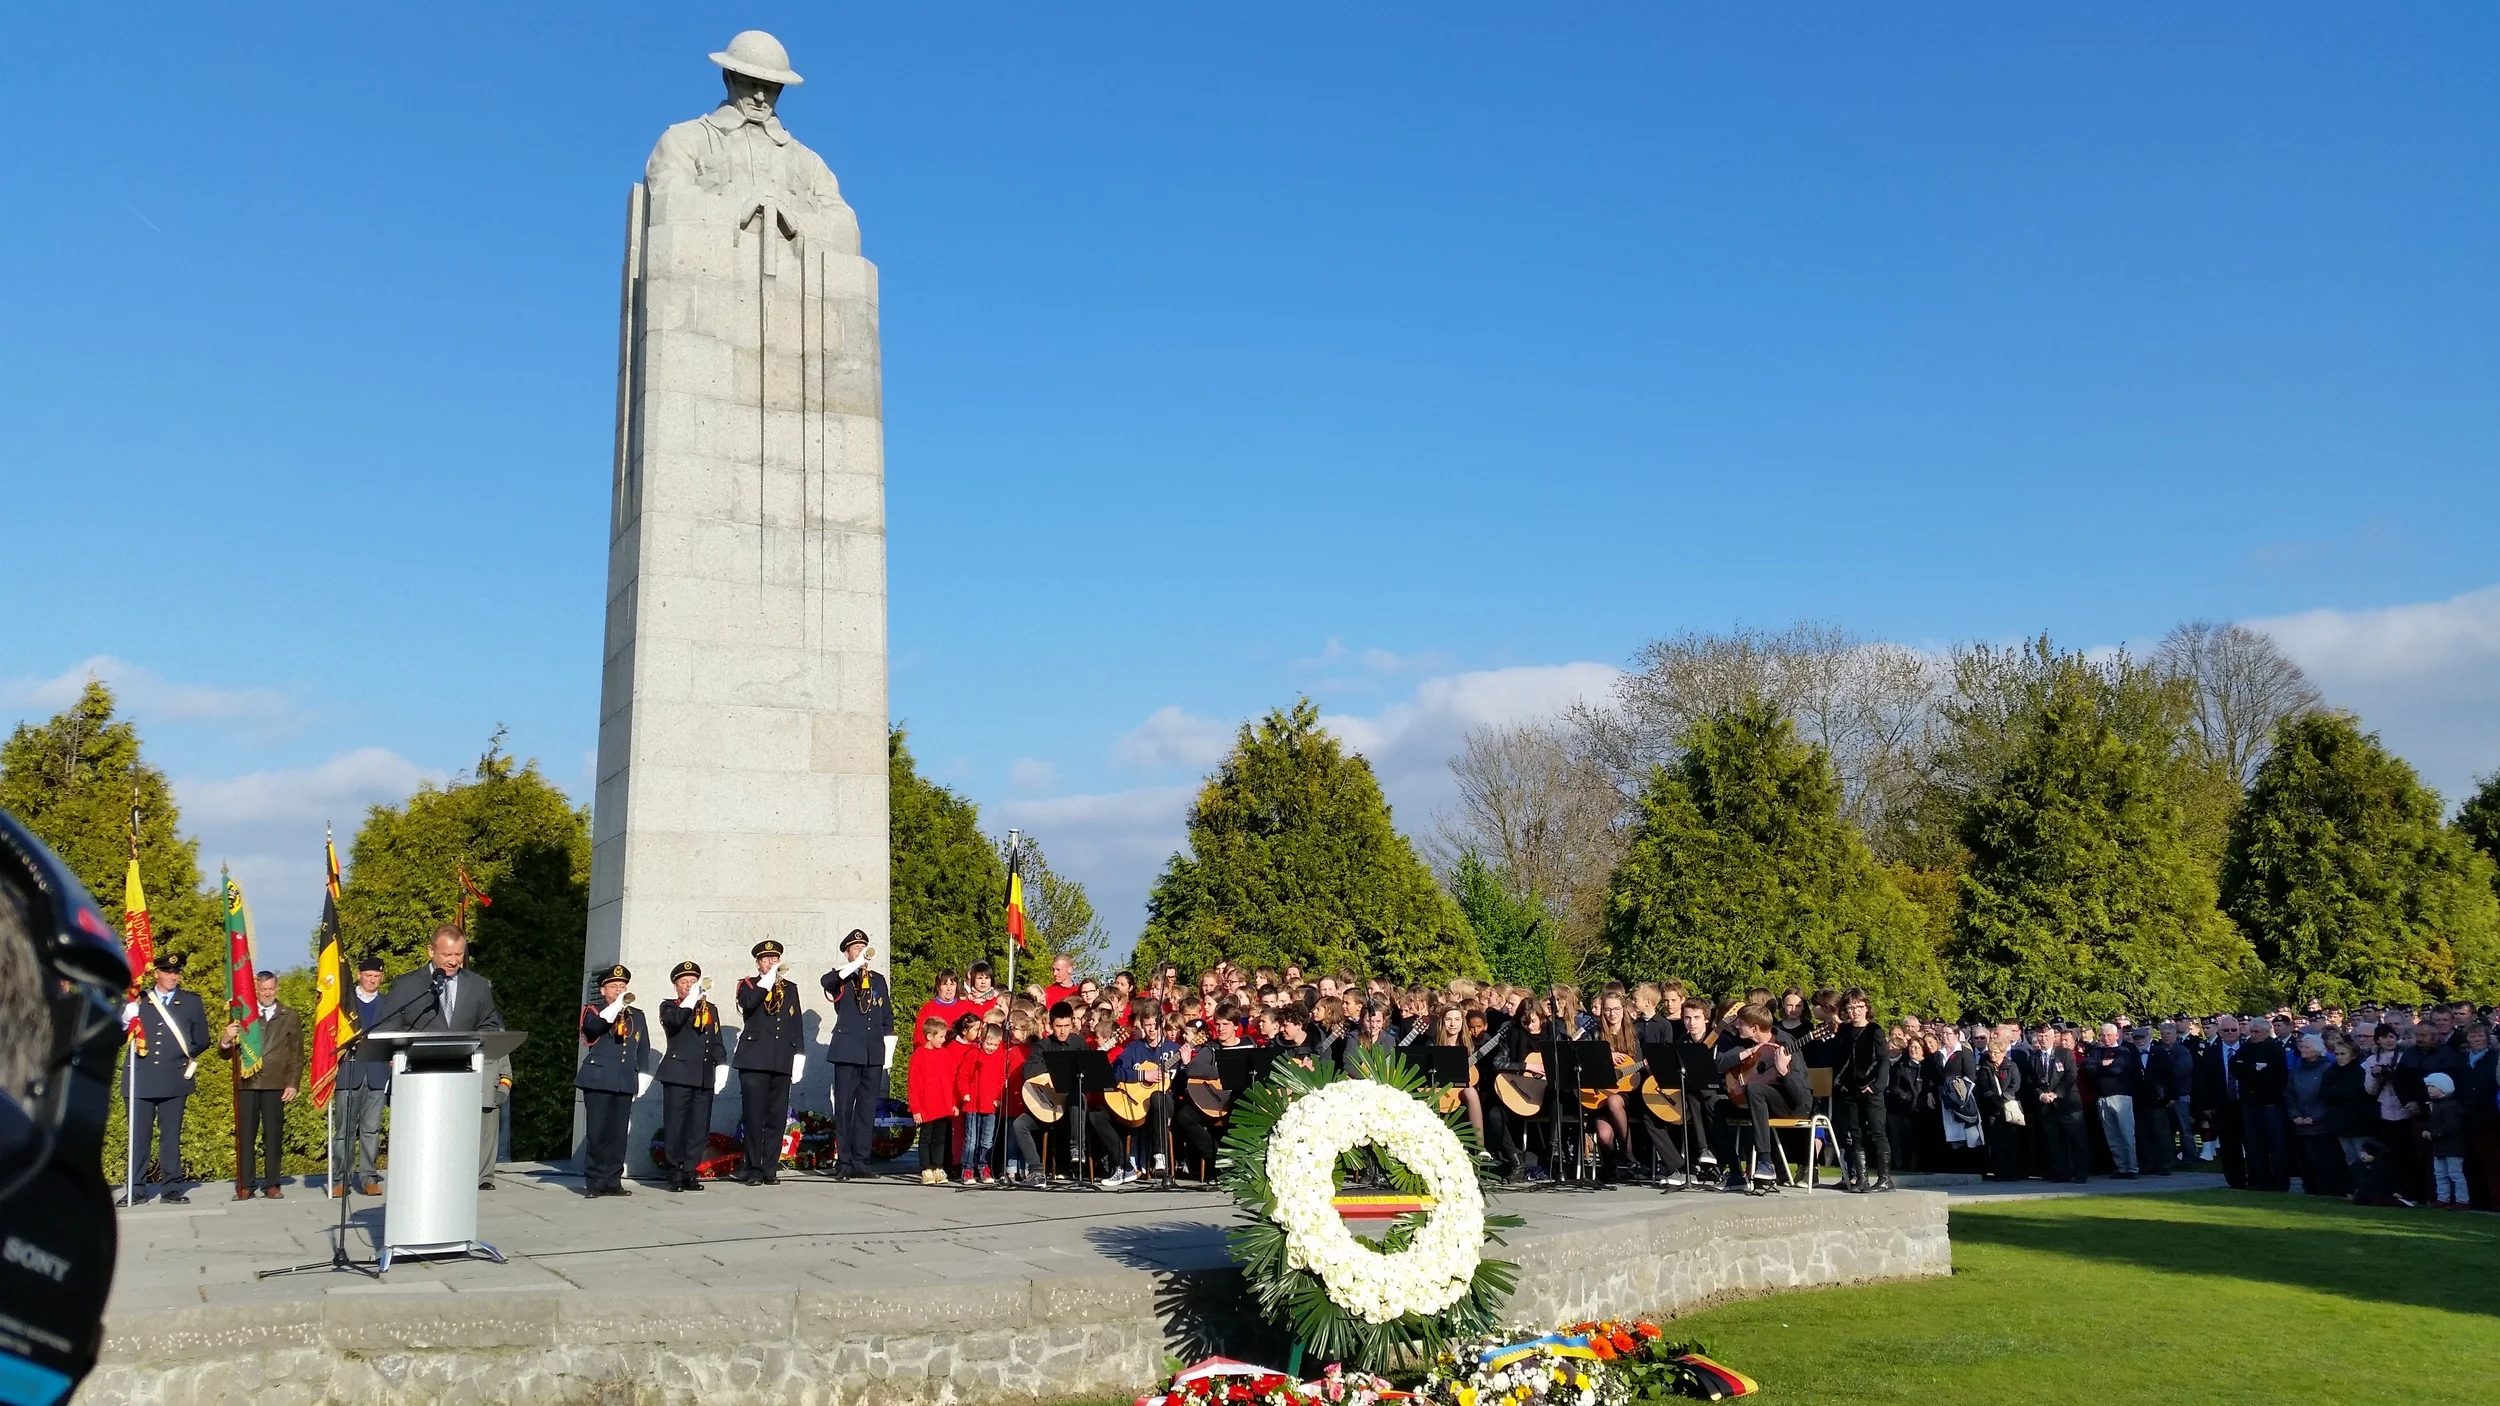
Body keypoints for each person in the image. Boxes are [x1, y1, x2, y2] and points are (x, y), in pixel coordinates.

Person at [378, 925, 507, 1190]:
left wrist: (474, 1041)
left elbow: (491, 1025)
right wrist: (399, 1049)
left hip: (462, 1076)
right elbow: (385, 1027)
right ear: (431, 951)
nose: (453, 961)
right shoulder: (407, 985)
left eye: (459, 955)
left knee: (455, 1148)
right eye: (447, 954)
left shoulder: (478, 986)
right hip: (417, 1077)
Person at [122, 953, 209, 1205]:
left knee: (170, 1137)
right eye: (168, 972)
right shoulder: (137, 1001)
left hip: (174, 1078)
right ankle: (136, 1190)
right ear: (156, 973)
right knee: (138, 1139)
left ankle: (171, 1188)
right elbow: (119, 1038)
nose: (173, 976)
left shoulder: (191, 1002)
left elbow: (202, 1039)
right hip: (141, 1078)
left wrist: (182, 1056)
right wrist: (124, 1020)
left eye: (177, 972)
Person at [218, 970, 302, 1200]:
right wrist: (226, 1039)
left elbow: (296, 1053)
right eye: (263, 989)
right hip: (247, 1082)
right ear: (256, 989)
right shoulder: (242, 1015)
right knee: (246, 1135)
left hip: (276, 1082)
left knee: (273, 1135)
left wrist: (292, 1083)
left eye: (271, 989)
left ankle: (272, 1184)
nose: (267, 993)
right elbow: (225, 1053)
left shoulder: (289, 1015)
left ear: (277, 988)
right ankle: (245, 1185)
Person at [821, 929, 894, 1182]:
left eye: (864, 946)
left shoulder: (877, 980)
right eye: (856, 947)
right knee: (844, 1109)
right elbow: (827, 983)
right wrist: (852, 967)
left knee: (866, 1108)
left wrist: (889, 1051)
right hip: (847, 1051)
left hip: (872, 1053)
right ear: (847, 952)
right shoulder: (841, 978)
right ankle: (845, 1162)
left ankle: (862, 1160)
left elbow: (887, 1018)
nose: (861, 950)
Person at [574, 964, 649, 1197]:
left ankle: (613, 1181)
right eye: (614, 986)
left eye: (622, 986)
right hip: (598, 1080)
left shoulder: (636, 1015)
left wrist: (643, 1074)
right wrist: (616, 1006)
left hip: (624, 1080)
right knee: (598, 1133)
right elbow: (594, 1028)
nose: (618, 990)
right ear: (603, 990)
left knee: (618, 1135)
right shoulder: (593, 1010)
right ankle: (595, 1182)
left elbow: (642, 1047)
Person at [734, 939, 803, 1185]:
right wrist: (767, 981)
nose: (771, 963)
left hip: (781, 1059)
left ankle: (769, 1168)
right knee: (754, 1118)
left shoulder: (791, 988)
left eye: (775, 959)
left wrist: (799, 1056)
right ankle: (752, 1168)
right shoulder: (748, 985)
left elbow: (796, 1024)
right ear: (758, 964)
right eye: (766, 960)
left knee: (776, 1118)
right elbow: (748, 1004)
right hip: (754, 1060)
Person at [1717, 1006, 1808, 1193]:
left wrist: (1784, 1072)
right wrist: (1748, 1053)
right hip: (1756, 1103)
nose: (1736, 1027)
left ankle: (1765, 1162)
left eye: (1741, 1024)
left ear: (1755, 1027)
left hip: (1789, 1104)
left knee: (1754, 1088)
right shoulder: (1745, 1043)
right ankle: (1735, 1172)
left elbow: (1800, 1097)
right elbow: (1718, 1063)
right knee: (1716, 1104)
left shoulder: (1785, 1043)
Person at [655, 961, 726, 1192]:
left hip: (703, 1075)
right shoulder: (670, 1007)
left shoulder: (709, 1009)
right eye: (684, 983)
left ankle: (690, 1171)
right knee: (676, 1126)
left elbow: (715, 1040)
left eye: (693, 982)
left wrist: (722, 1064)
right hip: (678, 1075)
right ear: (676, 986)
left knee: (698, 1128)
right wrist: (690, 999)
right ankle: (674, 1171)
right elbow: (674, 1022)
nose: (689, 986)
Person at [328, 955, 390, 1198]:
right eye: (368, 976)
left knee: (372, 1130)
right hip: (349, 1071)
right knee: (344, 1130)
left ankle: (368, 1177)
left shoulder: (387, 1004)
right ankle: (341, 1178)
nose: (372, 980)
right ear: (359, 975)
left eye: (376, 976)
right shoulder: (345, 1003)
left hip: (376, 1073)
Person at [1830, 988, 1892, 1193]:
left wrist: (1876, 1086)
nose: (1855, 1011)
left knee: (1877, 1132)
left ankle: (1884, 1178)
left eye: (1859, 1007)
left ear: (1866, 1008)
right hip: (1850, 1090)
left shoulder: (1875, 1030)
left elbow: (1884, 1061)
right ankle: (1861, 1178)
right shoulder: (1844, 1031)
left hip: (1871, 1089)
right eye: (1850, 1008)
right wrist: (1839, 1083)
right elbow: (1840, 1060)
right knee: (1855, 1134)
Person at [2233, 1018, 2292, 1192]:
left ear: (2267, 1032)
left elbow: (2276, 1076)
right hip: (2250, 1103)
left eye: (2257, 1032)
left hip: (2270, 1103)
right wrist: (2254, 1070)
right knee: (2253, 1144)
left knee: (2276, 1144)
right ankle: (2259, 1180)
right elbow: (2236, 1068)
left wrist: (2251, 1072)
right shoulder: (2246, 1048)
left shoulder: (2274, 1050)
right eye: (2252, 1031)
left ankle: (2280, 1182)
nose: (2253, 1035)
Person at [2284, 1032, 2343, 1197]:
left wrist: (2315, 1117)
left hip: (2322, 1126)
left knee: (2324, 1160)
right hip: (2300, 1124)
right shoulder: (2296, 1071)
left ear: (2317, 1050)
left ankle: (2328, 1190)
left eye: (2307, 1047)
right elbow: (2289, 1095)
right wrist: (2296, 1116)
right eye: (2301, 1046)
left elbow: (2328, 1097)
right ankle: (2310, 1188)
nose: (2302, 1049)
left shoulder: (2327, 1069)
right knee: (2306, 1161)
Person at [2080, 1022, 2140, 1178]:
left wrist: (2098, 1068)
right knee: (2111, 1135)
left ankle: (2131, 1167)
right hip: (2102, 1098)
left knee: (2126, 1134)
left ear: (2116, 1035)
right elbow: (2087, 1067)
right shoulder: (2097, 1051)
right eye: (2103, 1035)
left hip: (2120, 1097)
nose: (2105, 1038)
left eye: (2108, 1035)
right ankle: (2121, 1167)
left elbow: (2116, 1069)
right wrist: (2101, 1064)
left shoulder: (2123, 1051)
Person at [2194, 1014, 2247, 1187]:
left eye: (2233, 1030)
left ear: (2239, 1030)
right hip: (2222, 1106)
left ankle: (2256, 1177)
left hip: (2246, 1104)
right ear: (2220, 1032)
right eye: (2226, 1030)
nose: (2230, 1033)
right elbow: (2202, 1082)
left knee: (2252, 1143)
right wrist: (2206, 1106)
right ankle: (2235, 1180)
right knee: (2229, 1146)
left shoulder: (2247, 1050)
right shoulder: (2210, 1052)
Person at [906, 1017, 960, 1185]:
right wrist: (916, 1108)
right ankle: (926, 1168)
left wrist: (953, 1102)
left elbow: (952, 1080)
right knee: (926, 1139)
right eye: (941, 1037)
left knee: (940, 1138)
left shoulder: (945, 1055)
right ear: (929, 1036)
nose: (944, 1040)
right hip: (926, 1106)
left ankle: (937, 1166)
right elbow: (913, 1084)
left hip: (943, 1105)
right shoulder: (919, 1056)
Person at [2033, 1025, 2085, 1183]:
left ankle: (2081, 1173)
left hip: (2068, 1105)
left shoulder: (2065, 1053)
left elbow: (2071, 1076)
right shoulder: (2033, 1058)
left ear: (2053, 1037)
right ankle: (2062, 1173)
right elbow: (2031, 1081)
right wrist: (2040, 1094)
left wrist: (2057, 1094)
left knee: (2077, 1140)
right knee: (2054, 1142)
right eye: (2040, 1037)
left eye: (2046, 1036)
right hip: (2047, 1107)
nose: (2043, 1040)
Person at [1975, 1027, 2027, 1183]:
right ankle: (1998, 1171)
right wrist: (1994, 1101)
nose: (1993, 1055)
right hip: (1992, 1110)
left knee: (2010, 1142)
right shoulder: (1985, 1068)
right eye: (1991, 1052)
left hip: (2008, 1108)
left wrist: (2003, 1099)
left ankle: (2011, 1172)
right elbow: (1984, 1087)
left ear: (2003, 1053)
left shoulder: (2011, 1066)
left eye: (1996, 1052)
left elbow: (2015, 1085)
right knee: (1996, 1143)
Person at [2423, 1072, 2469, 1210]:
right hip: (2440, 1147)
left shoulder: (2450, 1106)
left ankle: (2462, 1200)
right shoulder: (2434, 1105)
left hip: (2452, 1147)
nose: (2429, 1089)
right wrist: (2428, 1131)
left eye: (2432, 1086)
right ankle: (2443, 1198)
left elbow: (2452, 1126)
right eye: (2428, 1086)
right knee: (2440, 1173)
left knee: (2455, 1173)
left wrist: (2435, 1134)